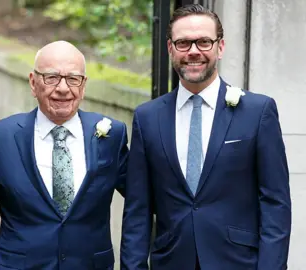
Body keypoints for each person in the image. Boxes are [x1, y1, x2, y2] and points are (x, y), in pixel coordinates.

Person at [120, 4, 291, 270]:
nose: (193, 51)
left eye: (203, 42)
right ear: (170, 48)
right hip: (171, 262)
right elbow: (137, 211)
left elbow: (275, 204)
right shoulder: (147, 118)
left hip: (238, 263)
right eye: (184, 43)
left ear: (220, 47)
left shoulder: (258, 112)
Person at [0, 40, 128, 269]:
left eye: (72, 78)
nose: (62, 88)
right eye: (51, 77)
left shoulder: (112, 136)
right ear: (33, 82)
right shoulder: (1, 137)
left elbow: (142, 201)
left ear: (84, 85)